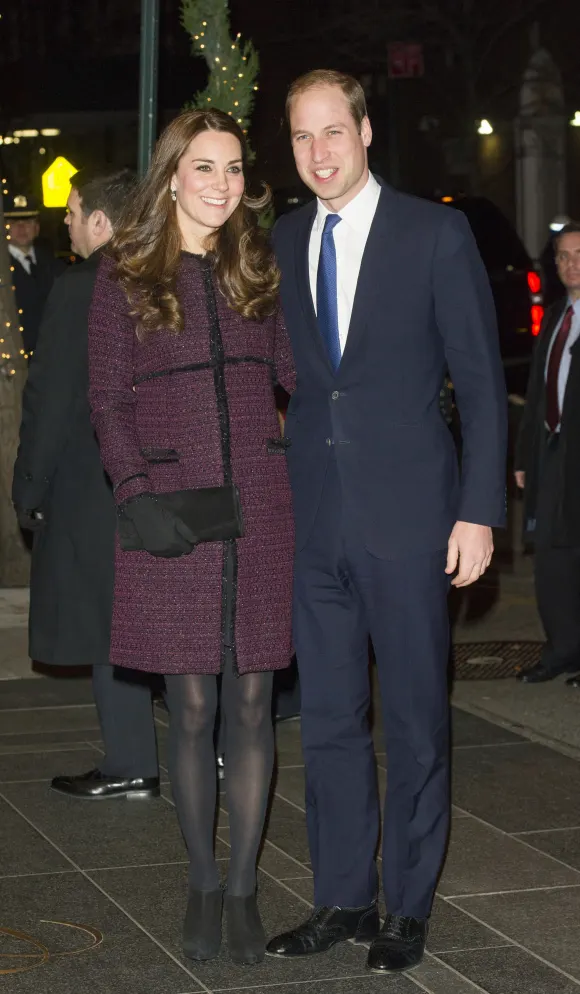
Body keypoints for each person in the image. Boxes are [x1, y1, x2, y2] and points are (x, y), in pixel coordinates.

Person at [266, 70, 507, 974]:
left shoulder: (434, 232)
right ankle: (340, 897)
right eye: (302, 139)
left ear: (365, 132)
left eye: (334, 132)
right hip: (316, 523)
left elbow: (482, 388)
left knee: (412, 720)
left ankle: (405, 906)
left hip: (413, 521)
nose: (319, 153)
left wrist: (479, 513)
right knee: (327, 719)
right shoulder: (286, 238)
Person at [87, 108, 295, 966]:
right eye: (204, 167)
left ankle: (244, 889)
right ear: (172, 175)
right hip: (175, 513)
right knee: (194, 705)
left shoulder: (259, 267)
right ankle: (202, 882)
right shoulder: (124, 273)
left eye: (235, 168)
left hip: (263, 511)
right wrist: (139, 493)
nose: (222, 184)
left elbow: (295, 376)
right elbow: (108, 402)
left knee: (252, 704)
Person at [12, 168, 162, 801]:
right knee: (166, 618)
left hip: (96, 480)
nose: (66, 223)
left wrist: (29, 487)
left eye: (73, 212)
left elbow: (50, 398)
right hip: (168, 475)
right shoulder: (170, 275)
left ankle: (131, 760)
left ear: (102, 221)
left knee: (111, 623)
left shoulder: (83, 286)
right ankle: (201, 749)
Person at [515, 222, 580, 687]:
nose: (570, 264)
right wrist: (522, 458)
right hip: (552, 453)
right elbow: (536, 394)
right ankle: (561, 651)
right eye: (562, 256)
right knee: (550, 560)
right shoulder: (556, 316)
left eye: (578, 254)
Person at [6, 194, 65, 355]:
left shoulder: (53, 264)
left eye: (28, 222)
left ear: (37, 228)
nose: (21, 227)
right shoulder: (3, 270)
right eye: (14, 223)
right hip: (16, 359)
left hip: (53, 355)